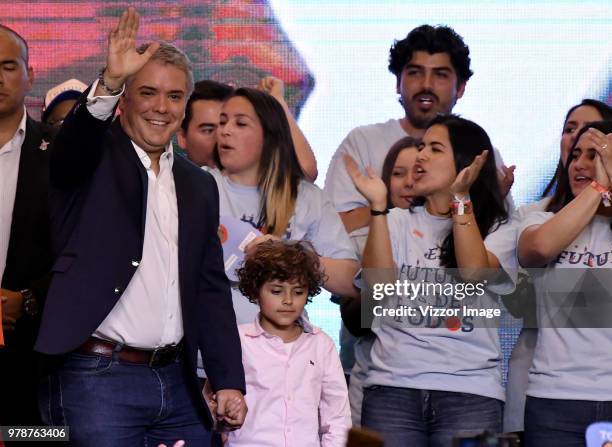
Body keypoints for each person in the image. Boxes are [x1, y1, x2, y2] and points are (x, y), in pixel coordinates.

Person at [35, 9, 246, 446]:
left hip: (177, 382)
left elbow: (209, 286)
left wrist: (229, 379)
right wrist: (109, 82)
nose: (160, 107)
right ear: (125, 100)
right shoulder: (92, 158)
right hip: (96, 379)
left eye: (174, 96)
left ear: (186, 105)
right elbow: (71, 150)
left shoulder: (199, 184)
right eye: (147, 92)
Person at [345, 115, 517, 447]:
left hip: (471, 393)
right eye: (421, 146)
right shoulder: (394, 221)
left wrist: (461, 199)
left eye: (434, 149)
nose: (420, 155)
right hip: (392, 389)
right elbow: (378, 290)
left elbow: (474, 273)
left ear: (466, 163)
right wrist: (378, 208)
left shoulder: (499, 227)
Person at [324, 24, 514, 244]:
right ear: (398, 82)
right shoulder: (362, 142)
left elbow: (504, 232)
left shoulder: (479, 153)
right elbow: (330, 227)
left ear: (460, 87)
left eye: (440, 75)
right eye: (415, 73)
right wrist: (396, 205)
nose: (426, 85)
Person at [503, 98, 612, 436]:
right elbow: (538, 248)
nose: (579, 163)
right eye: (575, 154)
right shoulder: (539, 219)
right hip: (552, 399)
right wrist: (599, 187)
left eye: (594, 155)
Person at [210, 87, 359, 324]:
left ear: (269, 134)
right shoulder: (201, 187)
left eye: (240, 124)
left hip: (285, 353)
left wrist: (290, 255)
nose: (224, 131)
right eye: (222, 122)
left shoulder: (307, 197)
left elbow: (352, 282)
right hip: (210, 355)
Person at [229, 239, 351, 446]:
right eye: (277, 291)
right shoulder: (236, 342)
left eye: (298, 291)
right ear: (255, 291)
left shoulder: (321, 345)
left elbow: (337, 417)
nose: (288, 300)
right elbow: (214, 408)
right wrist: (224, 415)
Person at [340, 135, 420, 426]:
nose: (409, 182)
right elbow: (355, 321)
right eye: (398, 174)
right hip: (370, 383)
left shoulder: (455, 238)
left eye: (418, 172)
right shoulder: (362, 239)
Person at [0, 24, 54, 428]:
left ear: (30, 75)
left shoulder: (58, 155)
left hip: (35, 358)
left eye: (7, 66)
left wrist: (29, 299)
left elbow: (78, 251)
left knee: (35, 439)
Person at [178, 76, 318, 181]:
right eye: (208, 130)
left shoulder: (252, 182)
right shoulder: (169, 185)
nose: (222, 136)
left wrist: (276, 103)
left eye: (230, 125)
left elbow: (305, 171)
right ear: (182, 137)